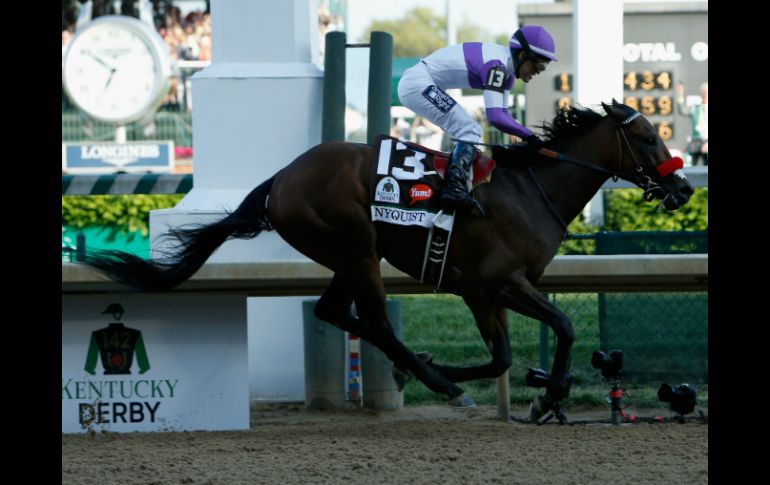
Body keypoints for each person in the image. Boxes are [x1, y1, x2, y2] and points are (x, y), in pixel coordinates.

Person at [397, 25, 557, 214]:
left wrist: (526, 135)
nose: (538, 71)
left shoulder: (506, 73)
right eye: (538, 65)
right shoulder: (497, 66)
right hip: (417, 84)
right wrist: (529, 135)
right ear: (522, 55)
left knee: (469, 128)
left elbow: (504, 115)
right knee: (470, 129)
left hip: (422, 82)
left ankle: (456, 183)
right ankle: (453, 186)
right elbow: (495, 117)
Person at [675, 81, 708, 166]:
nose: (705, 95)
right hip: (695, 141)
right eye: (703, 93)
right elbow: (682, 110)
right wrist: (680, 94)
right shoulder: (695, 108)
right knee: (689, 164)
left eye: (706, 93)